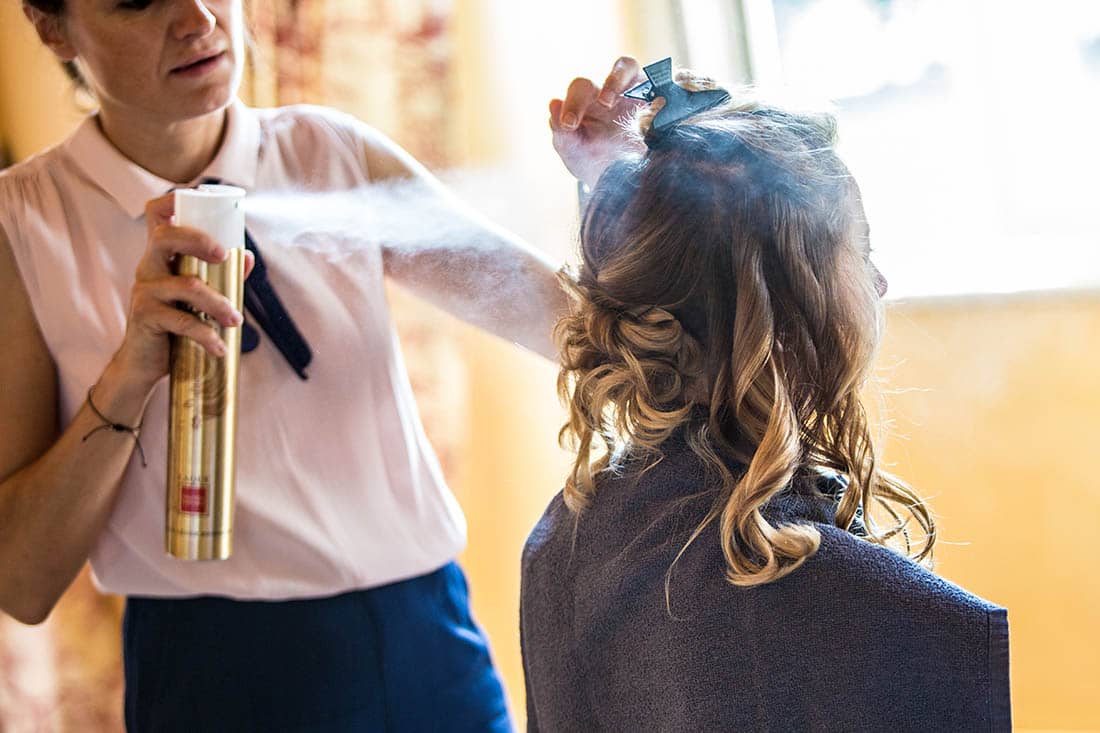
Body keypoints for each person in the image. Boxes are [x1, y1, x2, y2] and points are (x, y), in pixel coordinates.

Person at [0, 1, 641, 730]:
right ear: (51, 25)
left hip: (423, 652)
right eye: (140, 0)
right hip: (208, 681)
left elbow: (586, 336)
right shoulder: (21, 227)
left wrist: (613, 184)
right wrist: (130, 371)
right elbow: (21, 581)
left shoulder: (329, 154)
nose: (198, 17)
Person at [521, 65, 1012, 731]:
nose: (880, 279)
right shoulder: (863, 611)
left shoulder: (564, 546)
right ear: (781, 314)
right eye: (860, 247)